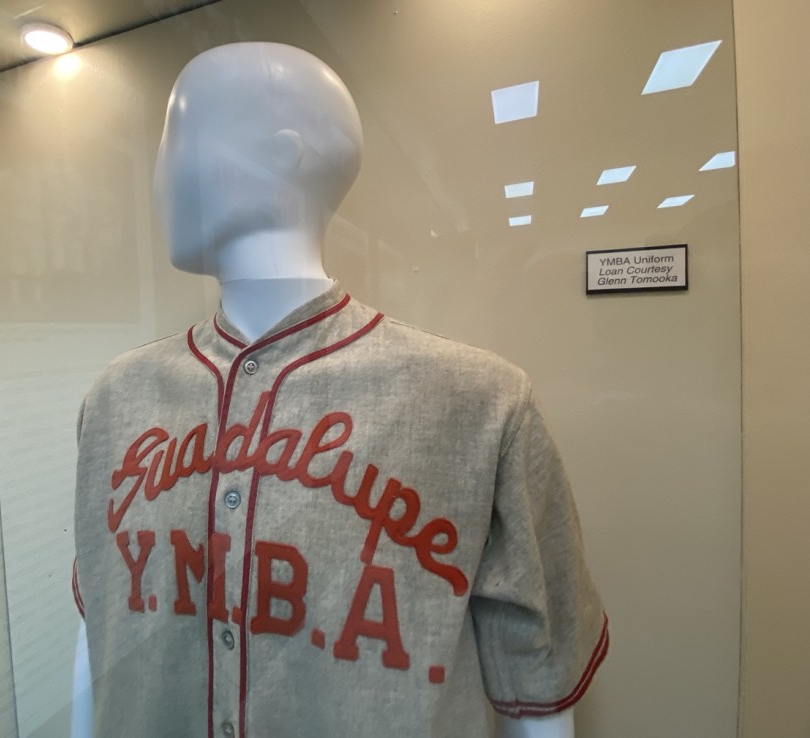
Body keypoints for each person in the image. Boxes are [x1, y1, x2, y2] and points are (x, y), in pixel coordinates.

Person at [73, 42, 606, 738]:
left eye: (180, 138)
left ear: (284, 153)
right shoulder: (116, 399)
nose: (159, 175)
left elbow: (535, 687)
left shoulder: (479, 404)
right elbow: (96, 644)